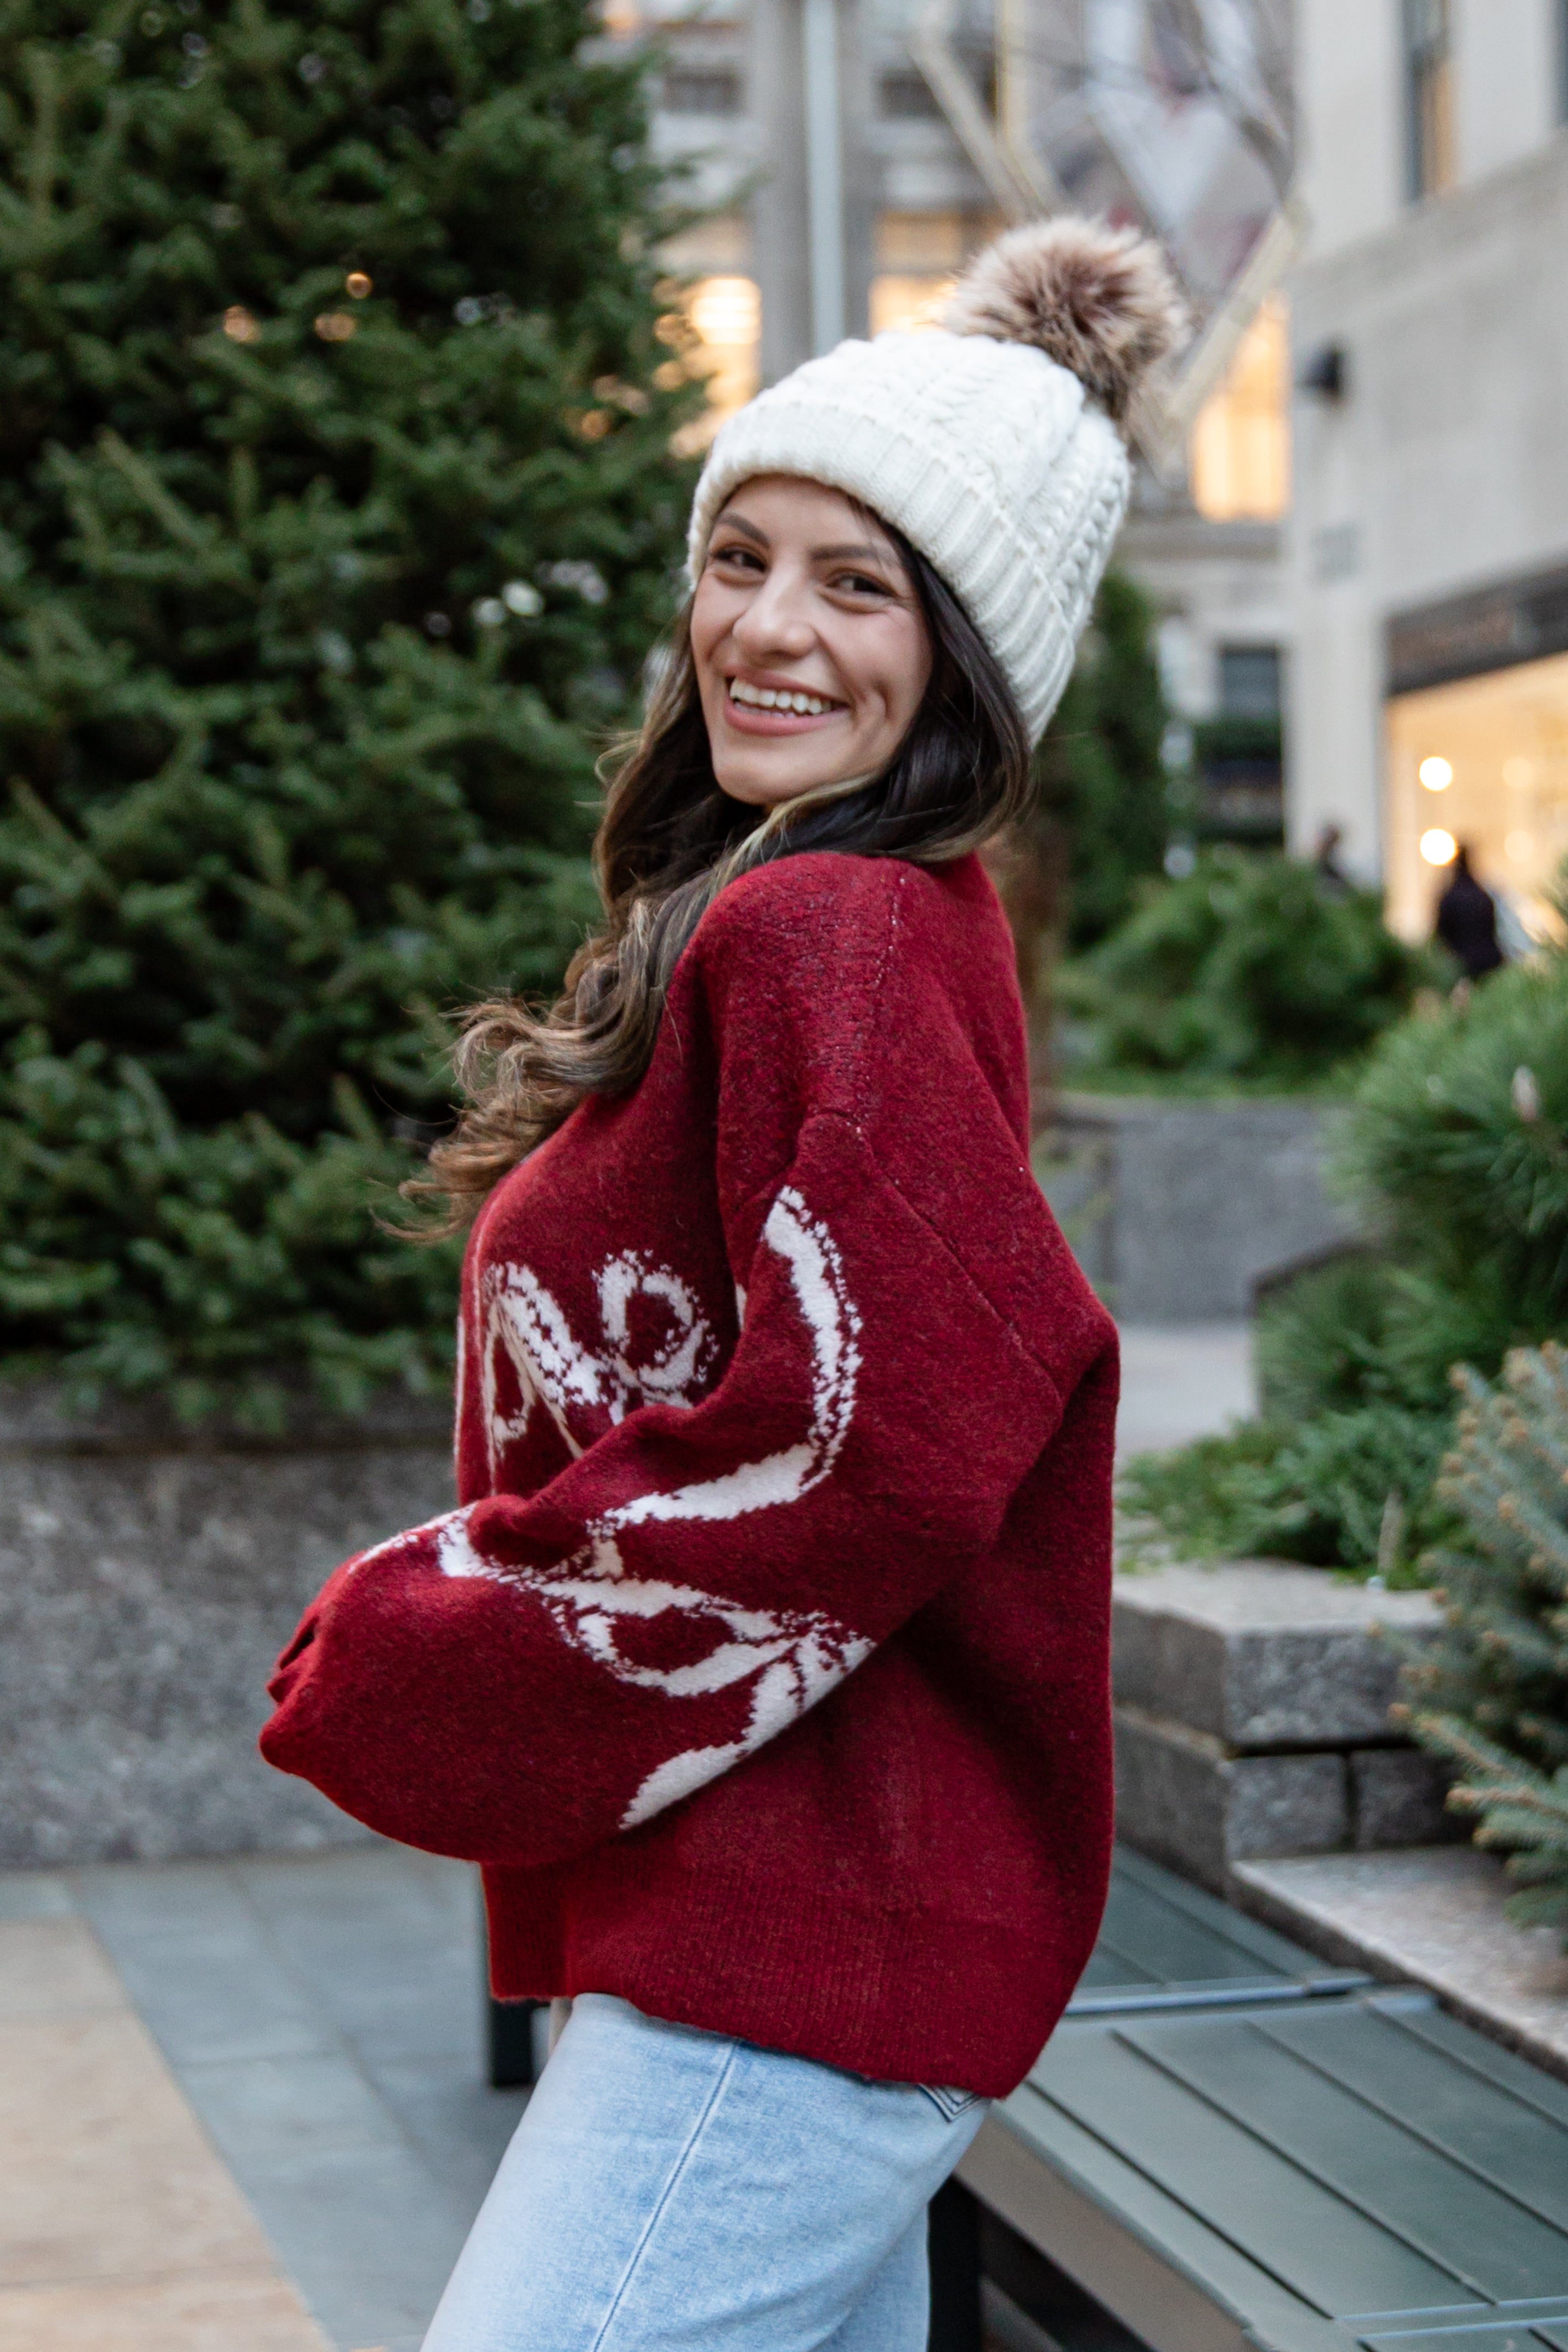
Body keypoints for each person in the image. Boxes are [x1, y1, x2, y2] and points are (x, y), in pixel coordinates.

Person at [260, 217, 1182, 2351]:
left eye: (857, 585)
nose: (766, 628)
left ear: (964, 658)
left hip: (811, 1931)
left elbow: (892, 1415)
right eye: (737, 554)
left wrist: (454, 1619)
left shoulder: (833, 935)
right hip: (767, 1906)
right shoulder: (797, 916)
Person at [1435, 843, 1504, 979]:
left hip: (1461, 967)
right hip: (1490, 963)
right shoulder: (1482, 895)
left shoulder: (1450, 897)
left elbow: (1441, 934)